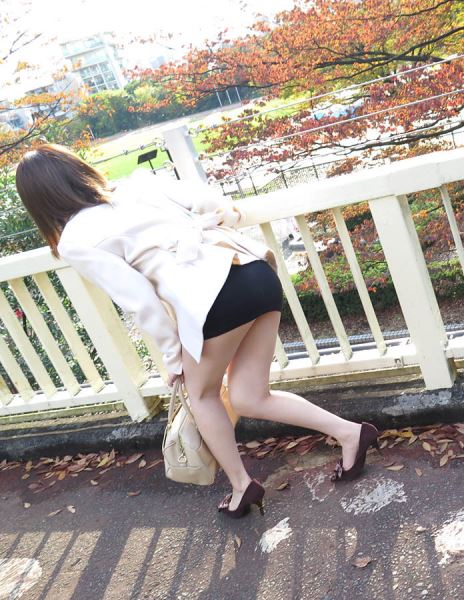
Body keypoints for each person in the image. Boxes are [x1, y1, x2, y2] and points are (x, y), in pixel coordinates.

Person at [15, 143, 380, 519]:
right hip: (254, 270)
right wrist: (228, 215)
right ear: (77, 169)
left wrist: (173, 359)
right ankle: (350, 433)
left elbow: (140, 300)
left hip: (215, 297)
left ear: (39, 203)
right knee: (249, 397)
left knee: (202, 394)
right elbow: (211, 202)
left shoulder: (75, 240)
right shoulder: (137, 185)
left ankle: (241, 486)